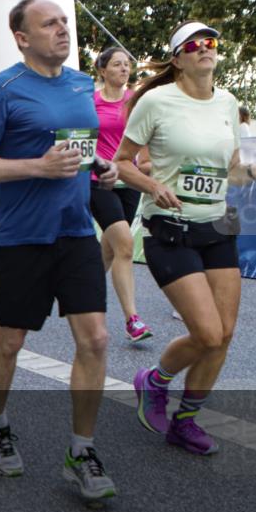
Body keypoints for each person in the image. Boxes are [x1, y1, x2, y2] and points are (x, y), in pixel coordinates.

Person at [0, 0, 119, 499]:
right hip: (19, 236)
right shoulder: (2, 90)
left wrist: (101, 170)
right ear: (23, 37)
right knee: (10, 343)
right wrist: (35, 167)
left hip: (74, 232)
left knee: (94, 339)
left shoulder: (80, 86)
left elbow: (79, 149)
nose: (62, 29)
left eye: (64, 21)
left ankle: (81, 450)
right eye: (49, 24)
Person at [116, 21, 256, 455]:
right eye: (194, 44)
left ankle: (185, 422)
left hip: (219, 225)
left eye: (211, 42)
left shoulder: (227, 102)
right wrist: (153, 187)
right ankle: (154, 381)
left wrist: (254, 171)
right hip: (172, 228)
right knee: (206, 333)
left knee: (224, 335)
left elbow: (233, 166)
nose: (205, 48)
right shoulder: (156, 102)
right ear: (178, 58)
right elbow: (123, 162)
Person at [90, 47, 152, 343]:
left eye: (127, 64)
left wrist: (149, 166)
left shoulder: (137, 101)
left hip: (129, 180)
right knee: (125, 243)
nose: (124, 69)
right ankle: (132, 319)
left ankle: (85, 295)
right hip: (98, 179)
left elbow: (146, 136)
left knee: (112, 246)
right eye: (117, 64)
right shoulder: (91, 102)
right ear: (103, 70)